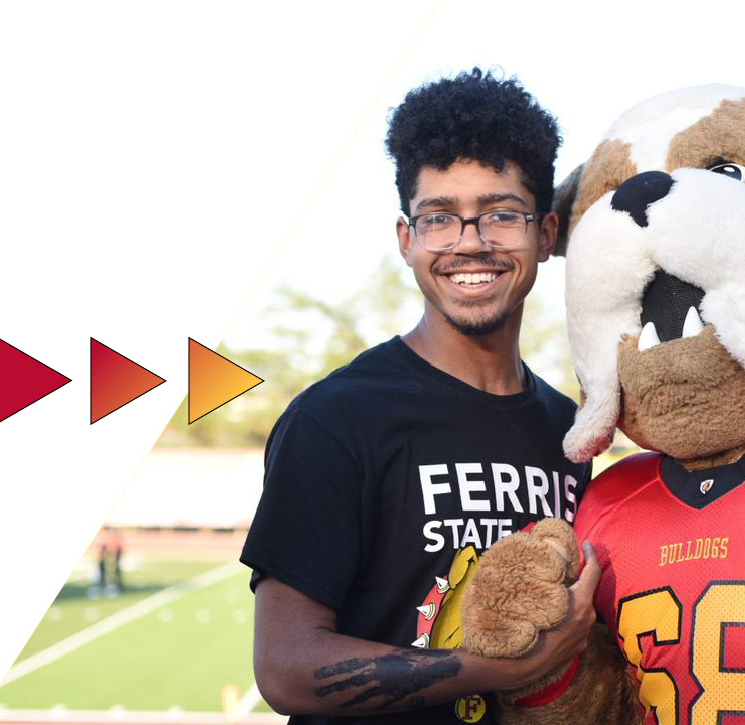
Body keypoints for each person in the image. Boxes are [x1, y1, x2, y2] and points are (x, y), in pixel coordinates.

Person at [241, 68, 597, 725]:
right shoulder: (336, 417)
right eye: (440, 217)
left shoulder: (568, 429)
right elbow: (285, 664)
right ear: (407, 239)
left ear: (546, 233)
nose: (470, 241)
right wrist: (499, 667)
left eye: (500, 213)